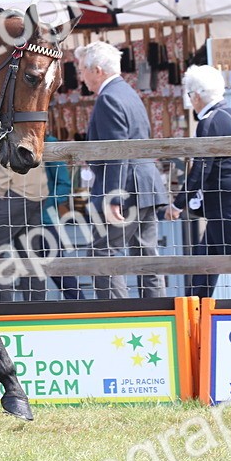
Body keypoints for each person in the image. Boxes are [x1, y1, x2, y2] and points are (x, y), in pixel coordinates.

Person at [76, 40, 167, 299]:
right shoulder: (128, 93)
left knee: (103, 254)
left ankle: (114, 317)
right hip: (145, 184)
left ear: (97, 70)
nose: (81, 75)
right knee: (146, 255)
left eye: (82, 69)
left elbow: (116, 151)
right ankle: (157, 314)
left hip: (124, 187)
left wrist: (114, 197)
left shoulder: (108, 99)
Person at [0, 134, 80, 301]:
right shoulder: (30, 139)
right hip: (33, 203)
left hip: (27, 204)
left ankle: (4, 305)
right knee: (32, 256)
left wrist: (3, 192)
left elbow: (64, 185)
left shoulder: (37, 141)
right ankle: (35, 307)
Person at [164, 65, 231, 298]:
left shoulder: (209, 121)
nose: (191, 101)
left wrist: (178, 203)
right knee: (205, 264)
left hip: (224, 204)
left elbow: (202, 168)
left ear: (197, 95)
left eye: (190, 96)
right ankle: (195, 311)